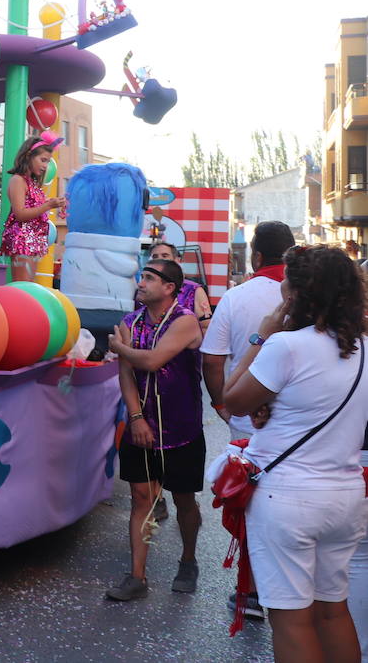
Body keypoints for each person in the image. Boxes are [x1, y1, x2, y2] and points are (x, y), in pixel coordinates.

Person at [225, 245, 368, 662]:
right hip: (344, 498)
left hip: (288, 499)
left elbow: (232, 400)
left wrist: (262, 333)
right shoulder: (364, 348)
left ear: (297, 294)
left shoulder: (285, 346)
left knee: (291, 619)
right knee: (332, 611)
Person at [201, 220, 297, 622]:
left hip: (248, 419)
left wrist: (223, 408)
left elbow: (211, 360)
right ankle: (294, 587)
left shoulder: (236, 297)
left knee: (252, 506)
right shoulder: (312, 299)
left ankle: (254, 591)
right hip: (303, 421)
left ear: (256, 256)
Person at [104, 258, 208, 601]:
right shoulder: (130, 321)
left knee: (183, 501)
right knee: (141, 499)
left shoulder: (186, 321)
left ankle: (188, 558)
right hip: (142, 429)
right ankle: (137, 577)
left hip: (181, 429)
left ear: (169, 288)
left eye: (149, 278)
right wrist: (135, 418)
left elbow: (150, 361)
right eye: (141, 276)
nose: (141, 282)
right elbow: (126, 374)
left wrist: (119, 348)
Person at [2, 134, 65, 282]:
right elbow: (20, 214)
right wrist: (48, 205)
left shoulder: (33, 184)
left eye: (48, 162)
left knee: (29, 286)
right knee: (23, 287)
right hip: (22, 239)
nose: (45, 166)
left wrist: (54, 202)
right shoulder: (18, 180)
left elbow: (34, 206)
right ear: (29, 156)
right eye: (43, 160)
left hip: (34, 239)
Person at [145, 241, 213, 332]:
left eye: (165, 256)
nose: (159, 260)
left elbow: (206, 327)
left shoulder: (194, 290)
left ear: (177, 260)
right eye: (155, 256)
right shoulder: (143, 288)